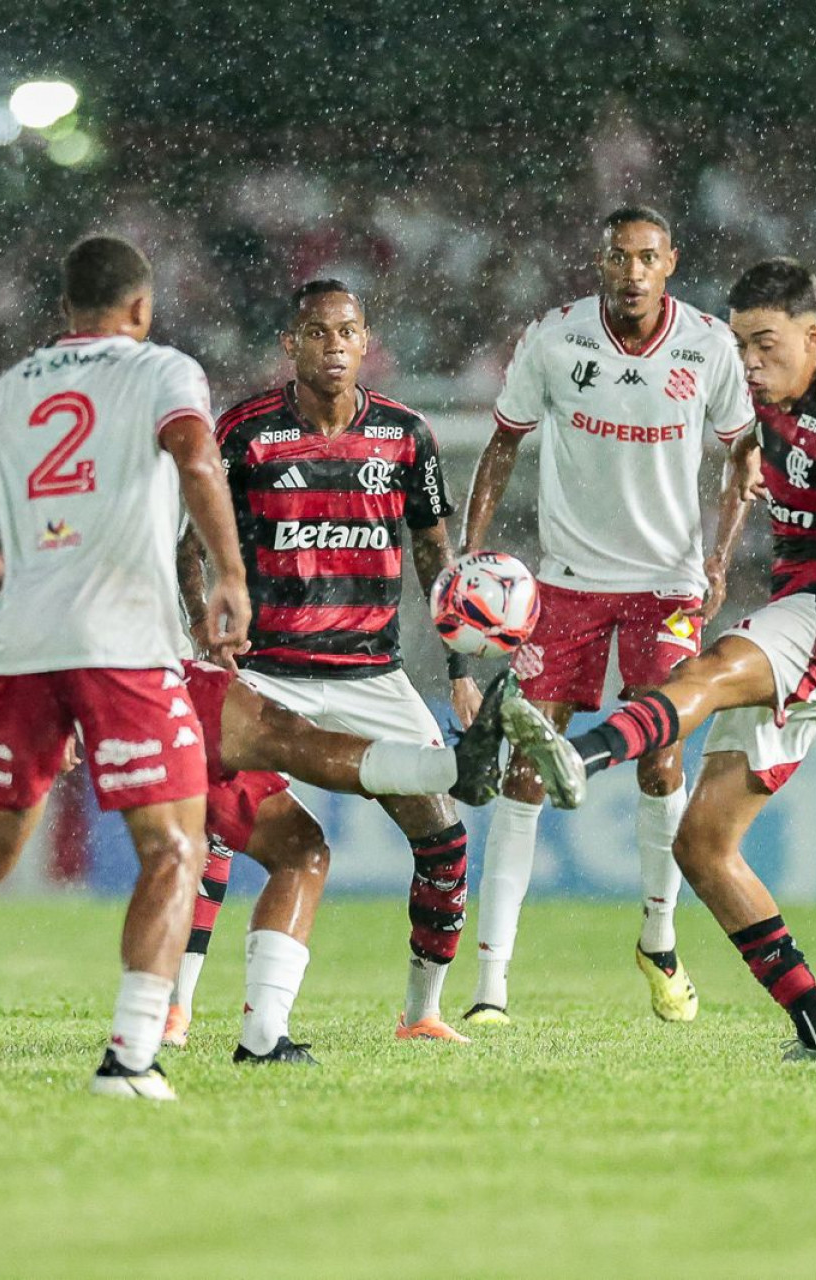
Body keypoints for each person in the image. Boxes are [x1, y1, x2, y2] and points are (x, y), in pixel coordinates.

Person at [499, 257, 816, 1063]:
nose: (750, 363)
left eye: (766, 345)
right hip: (803, 608)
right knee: (704, 846)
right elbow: (736, 431)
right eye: (742, 345)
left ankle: (579, 754)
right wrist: (746, 463)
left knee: (708, 671)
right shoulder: (761, 390)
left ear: (813, 337)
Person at [0, 234, 251, 1101]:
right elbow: (194, 457)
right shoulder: (163, 371)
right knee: (175, 849)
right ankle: (131, 1056)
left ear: (64, 308)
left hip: (26, 642)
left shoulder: (7, 390)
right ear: (141, 308)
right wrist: (227, 573)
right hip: (124, 644)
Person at [0, 602, 535, 1064]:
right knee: (220, 837)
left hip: (162, 692)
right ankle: (188, 1028)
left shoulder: (105, 496)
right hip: (180, 690)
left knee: (263, 845)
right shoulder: (171, 483)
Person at [461, 206, 757, 1025]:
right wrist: (469, 556)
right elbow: (502, 444)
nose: (633, 272)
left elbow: (743, 450)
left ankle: (659, 939)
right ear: (600, 262)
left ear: (672, 263)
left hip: (665, 587)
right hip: (566, 584)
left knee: (660, 759)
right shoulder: (554, 340)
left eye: (648, 258)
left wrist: (720, 555)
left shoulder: (708, 346)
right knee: (525, 774)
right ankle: (491, 991)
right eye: (621, 257)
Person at [180, 279, 482, 1044]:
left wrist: (460, 669)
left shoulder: (407, 436)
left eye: (347, 332)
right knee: (217, 833)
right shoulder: (245, 432)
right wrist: (200, 634)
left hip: (371, 677)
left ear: (366, 340)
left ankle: (421, 1014)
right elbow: (192, 543)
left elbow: (433, 556)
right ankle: (177, 1004)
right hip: (266, 672)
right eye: (317, 333)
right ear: (291, 343)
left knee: (443, 840)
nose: (334, 347)